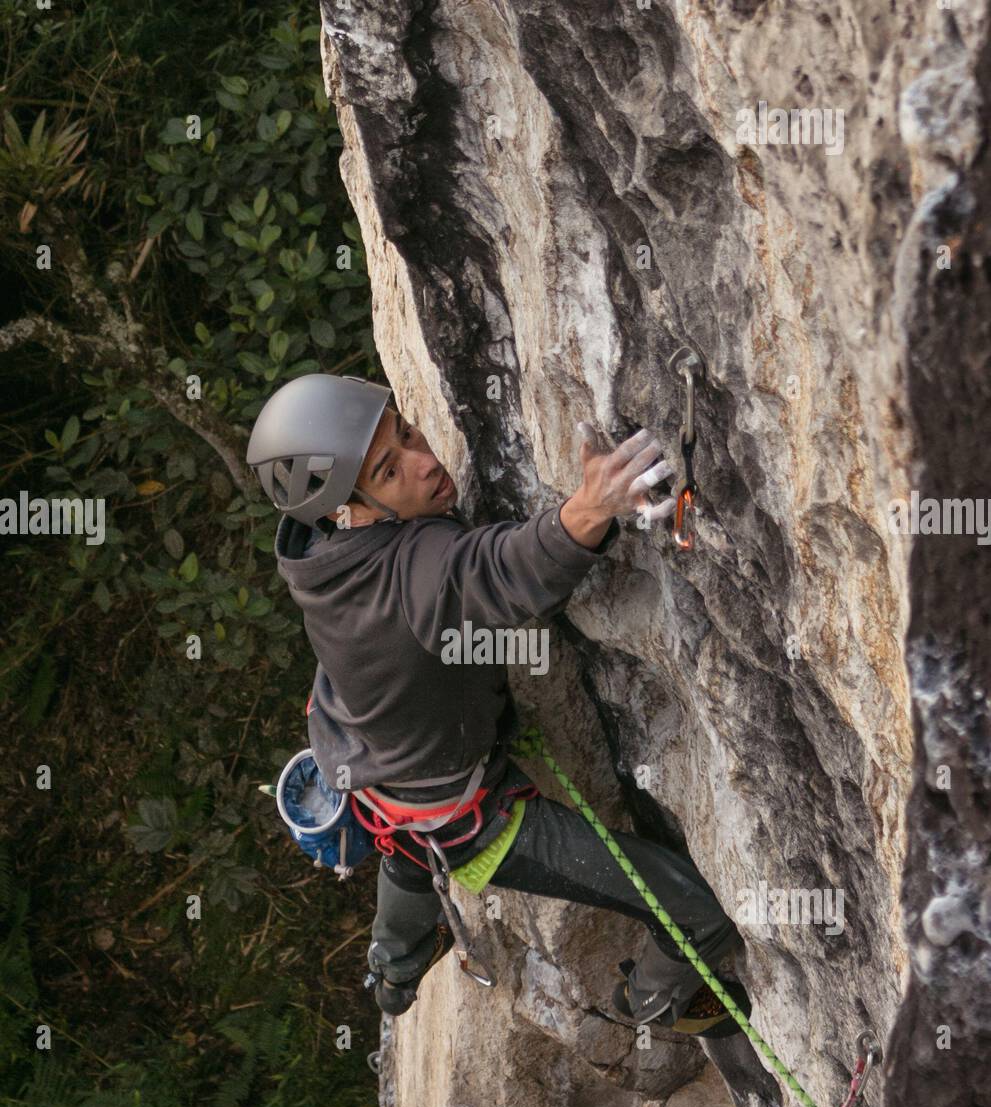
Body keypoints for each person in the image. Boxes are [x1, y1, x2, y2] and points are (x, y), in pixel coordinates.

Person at [247, 373, 750, 1037]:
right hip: (467, 819)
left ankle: (393, 972)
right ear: (351, 510)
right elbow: (492, 572)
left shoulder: (316, 554)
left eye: (406, 432)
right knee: (697, 911)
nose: (426, 463)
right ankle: (657, 1006)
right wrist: (590, 508)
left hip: (372, 764)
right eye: (390, 469)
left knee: (403, 850)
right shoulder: (409, 572)